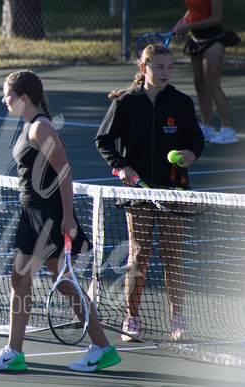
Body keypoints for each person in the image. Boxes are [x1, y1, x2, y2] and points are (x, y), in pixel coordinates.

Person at [0, 70, 122, 372]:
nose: (4, 100)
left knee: (65, 283)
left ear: (24, 98)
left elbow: (64, 172)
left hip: (49, 215)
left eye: (8, 95)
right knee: (20, 279)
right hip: (29, 214)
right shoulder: (29, 126)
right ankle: (14, 353)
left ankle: (102, 347)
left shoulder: (40, 129)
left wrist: (68, 216)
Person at [95, 45, 205, 342]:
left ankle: (178, 319)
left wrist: (190, 155)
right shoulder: (125, 103)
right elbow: (104, 141)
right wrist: (122, 168)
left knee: (173, 255)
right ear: (144, 68)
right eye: (159, 67)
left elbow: (196, 140)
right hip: (139, 191)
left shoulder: (181, 103)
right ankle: (132, 319)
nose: (165, 72)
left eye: (169, 67)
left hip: (174, 190)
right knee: (139, 254)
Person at [173, 0, 241, 144]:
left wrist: (189, 26)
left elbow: (216, 19)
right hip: (197, 40)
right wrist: (183, 21)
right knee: (199, 85)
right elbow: (193, 10)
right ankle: (207, 128)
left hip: (214, 40)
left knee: (212, 85)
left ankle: (227, 130)